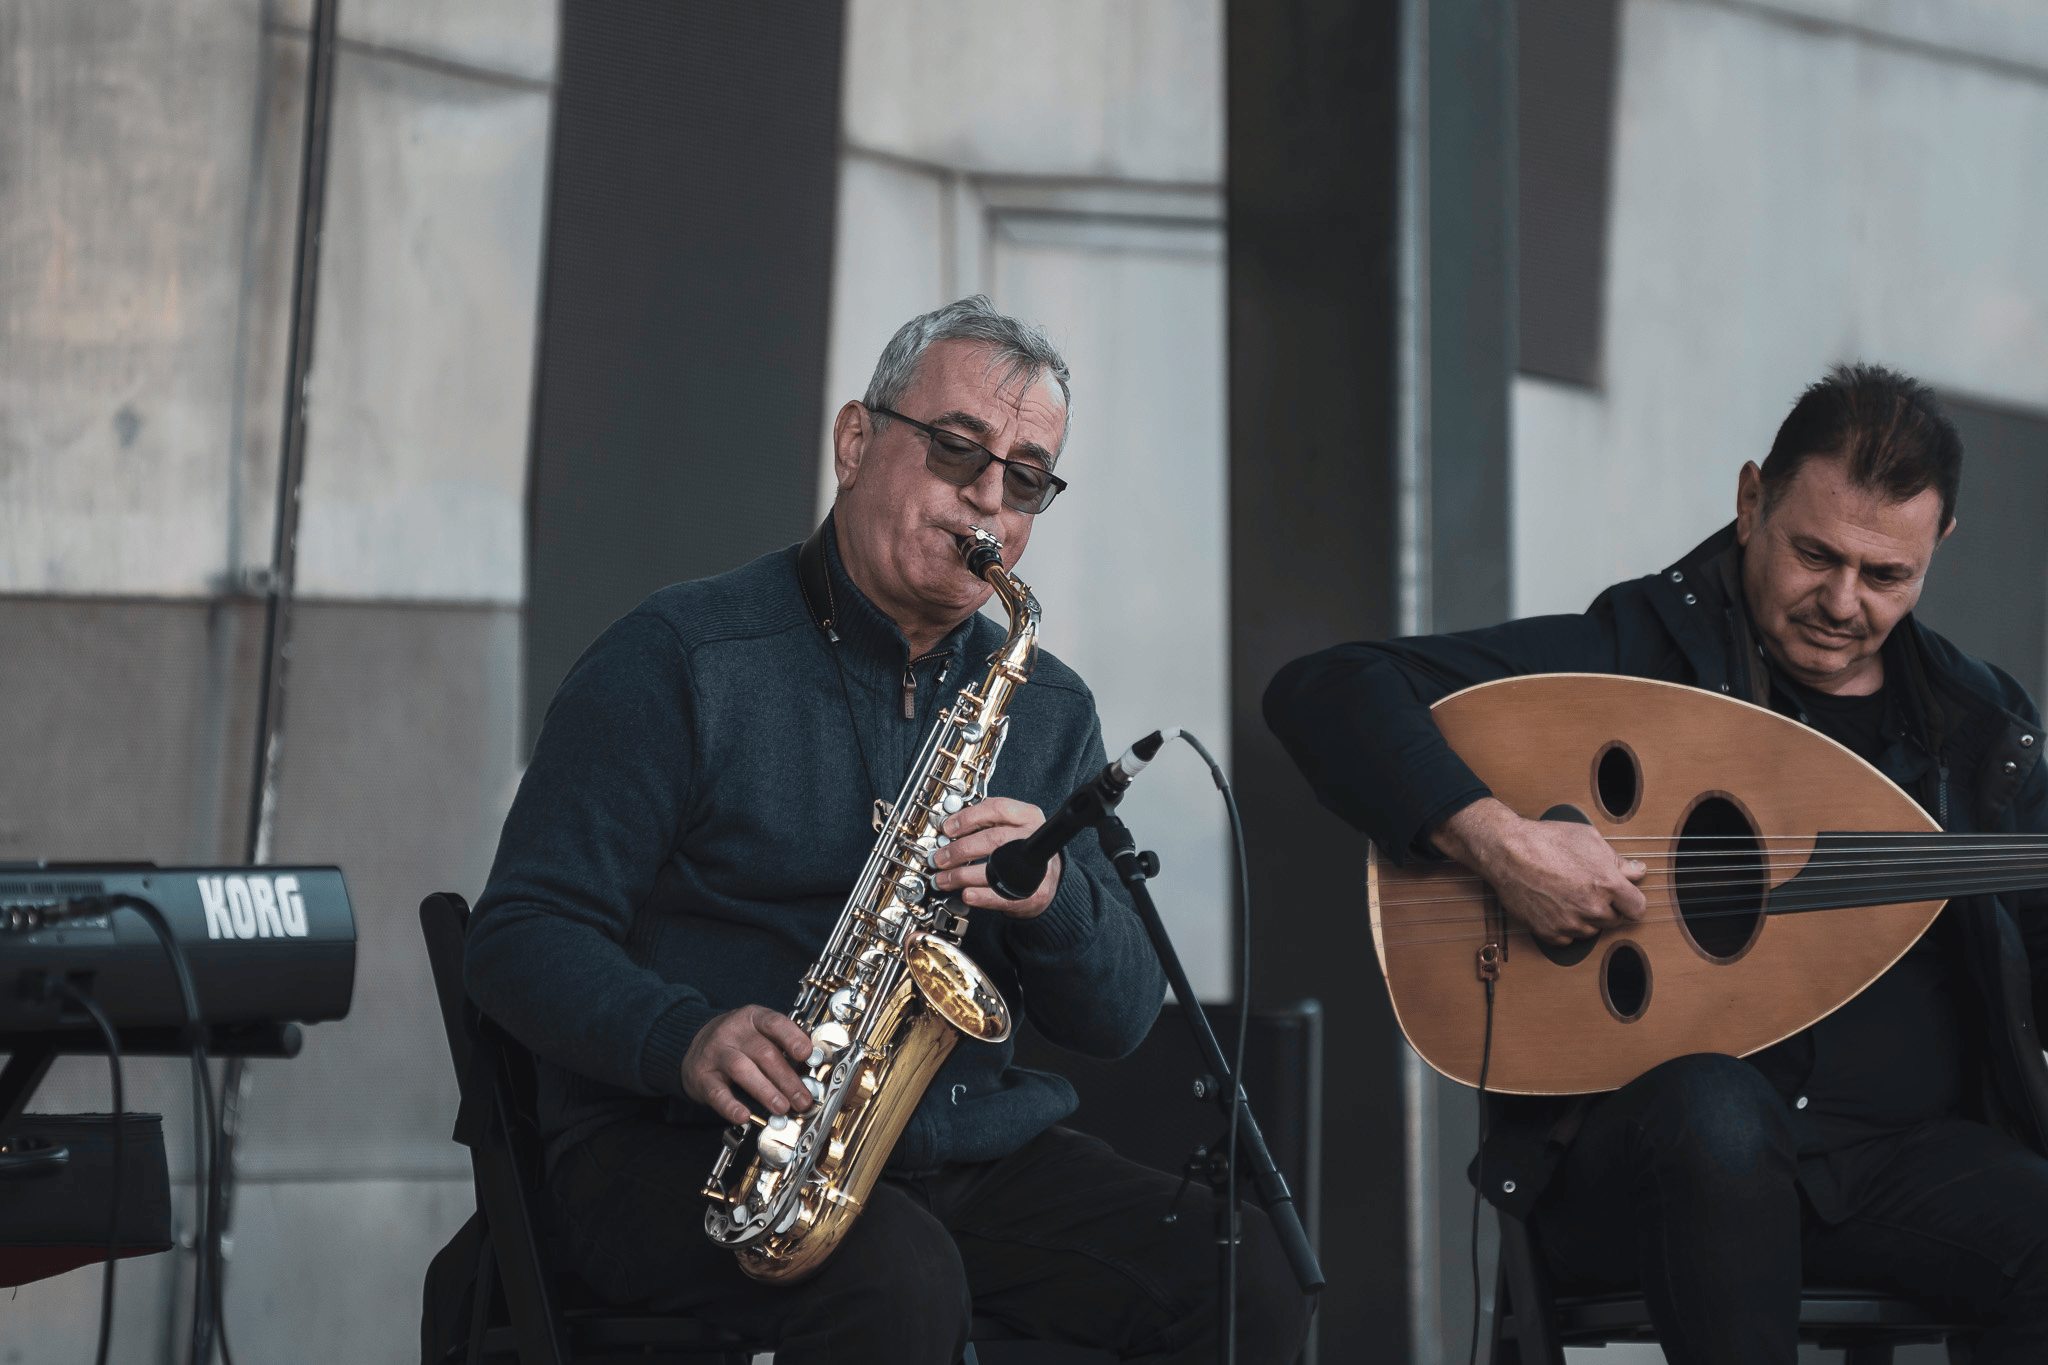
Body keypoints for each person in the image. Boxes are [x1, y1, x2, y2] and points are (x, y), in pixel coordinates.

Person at [464, 296, 1308, 1364]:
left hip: (947, 1146)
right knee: (898, 1285)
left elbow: (1116, 1019)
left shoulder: (1044, 705)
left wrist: (1051, 898)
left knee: (1244, 1282)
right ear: (854, 442)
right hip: (684, 1146)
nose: (987, 504)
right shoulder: (680, 656)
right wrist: (684, 1035)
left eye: (1026, 478)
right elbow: (520, 932)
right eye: (956, 452)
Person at [1265, 365, 2048, 1363]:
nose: (1841, 602)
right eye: (1813, 554)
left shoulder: (1979, 731)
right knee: (1715, 1111)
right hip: (1648, 1162)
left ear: (1934, 547)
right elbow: (1325, 688)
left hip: (1894, 1168)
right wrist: (1497, 841)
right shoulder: (1627, 655)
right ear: (1749, 500)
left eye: (1884, 574)